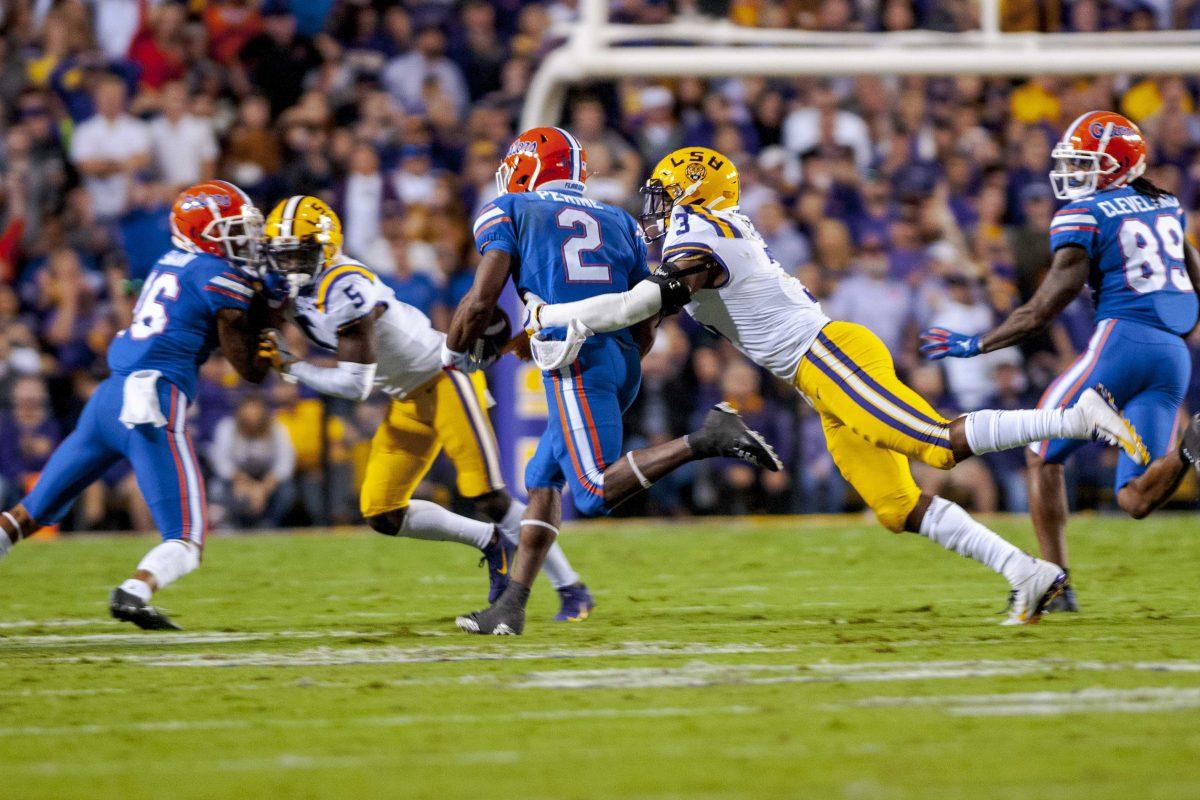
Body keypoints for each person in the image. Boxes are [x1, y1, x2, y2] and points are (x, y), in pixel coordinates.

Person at [528, 145, 1151, 627]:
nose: (655, 207)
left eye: (664, 194)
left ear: (691, 194)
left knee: (936, 443)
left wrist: (558, 316)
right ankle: (1026, 570)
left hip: (828, 355)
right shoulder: (704, 232)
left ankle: (1076, 417)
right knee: (895, 507)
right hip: (815, 373)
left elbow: (645, 301)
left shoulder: (704, 236)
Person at [444, 129, 781, 636]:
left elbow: (479, 303)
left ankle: (706, 437)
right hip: (620, 356)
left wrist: (452, 357)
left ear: (531, 166)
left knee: (594, 489)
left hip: (576, 356)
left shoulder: (510, 207)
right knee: (541, 480)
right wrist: (621, 360)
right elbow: (648, 316)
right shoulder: (618, 218)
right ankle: (511, 607)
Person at [256, 195, 594, 619]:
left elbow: (355, 385)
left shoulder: (346, 287)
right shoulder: (298, 290)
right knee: (382, 511)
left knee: (487, 494)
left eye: (299, 255)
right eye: (282, 257)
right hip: (406, 397)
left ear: (326, 248)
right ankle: (490, 541)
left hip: (443, 378)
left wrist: (291, 367)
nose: (290, 268)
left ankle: (572, 588)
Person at [921, 111, 1200, 612]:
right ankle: (1188, 451)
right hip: (1173, 356)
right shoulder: (1166, 204)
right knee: (1135, 498)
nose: (1074, 172)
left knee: (1040, 453)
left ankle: (1056, 584)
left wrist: (977, 345)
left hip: (1121, 345)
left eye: (1085, 162)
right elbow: (1194, 274)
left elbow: (1038, 313)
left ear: (1116, 165)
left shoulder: (1086, 214)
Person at [0, 180, 271, 630]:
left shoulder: (172, 261)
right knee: (188, 537)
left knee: (27, 515)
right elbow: (250, 368)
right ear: (205, 232)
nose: (244, 239)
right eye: (233, 229)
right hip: (151, 404)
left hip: (109, 399)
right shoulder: (214, 273)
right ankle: (136, 590)